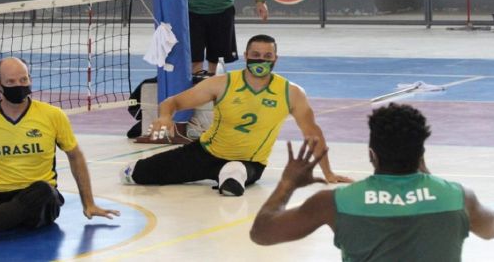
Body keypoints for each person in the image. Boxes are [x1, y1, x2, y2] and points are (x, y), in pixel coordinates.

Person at [250, 103, 494, 261]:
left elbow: (262, 234)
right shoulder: (459, 198)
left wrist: (287, 184)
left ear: (372, 154)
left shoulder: (334, 202)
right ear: (421, 154)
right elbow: (493, 229)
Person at [121, 34, 351, 196]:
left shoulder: (291, 93)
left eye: (267, 56)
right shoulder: (222, 84)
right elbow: (174, 102)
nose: (261, 60)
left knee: (236, 171)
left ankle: (231, 179)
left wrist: (328, 172)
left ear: (276, 59)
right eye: (256, 54)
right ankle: (138, 170)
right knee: (135, 174)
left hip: (250, 162)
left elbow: (313, 134)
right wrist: (165, 117)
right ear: (245, 56)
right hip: (205, 152)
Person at [0, 57, 120, 249]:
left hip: (40, 198)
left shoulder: (52, 115)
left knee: (42, 190)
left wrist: (88, 202)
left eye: (24, 80)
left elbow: (75, 156)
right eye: (11, 82)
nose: (19, 85)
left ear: (30, 78)